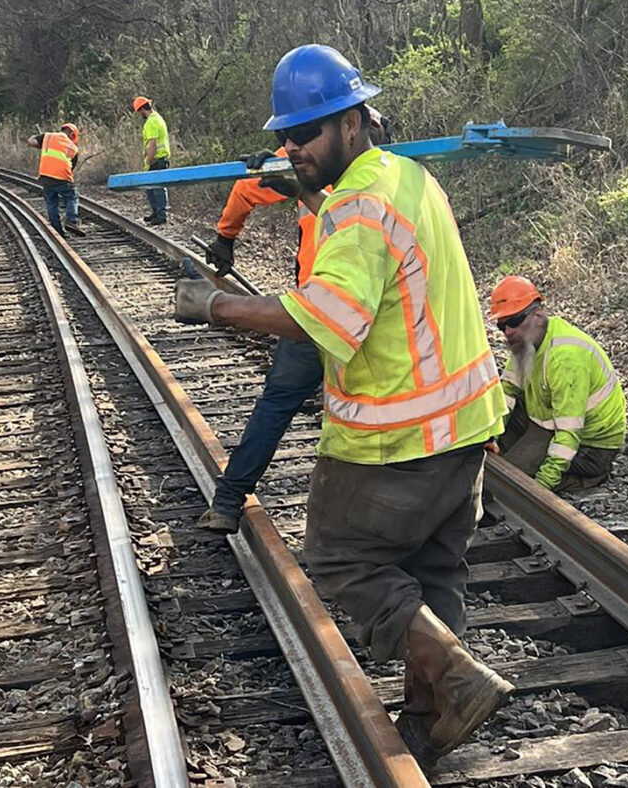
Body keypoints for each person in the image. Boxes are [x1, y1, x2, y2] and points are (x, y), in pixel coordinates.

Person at [174, 44, 513, 765]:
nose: (291, 148)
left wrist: (215, 306)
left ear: (353, 123)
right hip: (466, 423)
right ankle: (433, 718)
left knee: (340, 559)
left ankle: (457, 676)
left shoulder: (357, 208)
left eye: (306, 133)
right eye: (285, 137)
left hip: (398, 434)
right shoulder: (408, 177)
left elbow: (325, 317)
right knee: (434, 572)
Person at [198, 108, 393, 533]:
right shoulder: (389, 180)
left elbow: (248, 189)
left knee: (278, 403)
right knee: (377, 410)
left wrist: (226, 236)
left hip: (318, 311)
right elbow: (253, 184)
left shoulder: (313, 164)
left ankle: (229, 501)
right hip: (360, 316)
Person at [489, 275, 626, 491]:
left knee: (507, 481)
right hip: (547, 419)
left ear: (537, 315)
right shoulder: (525, 344)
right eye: (501, 325)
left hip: (591, 445)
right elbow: (507, 391)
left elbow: (569, 432)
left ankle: (589, 476)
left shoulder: (565, 358)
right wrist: (491, 435)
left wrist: (541, 487)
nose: (507, 332)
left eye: (514, 322)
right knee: (491, 459)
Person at [27, 123, 85, 237]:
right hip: (62, 176)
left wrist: (39, 138)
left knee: (51, 202)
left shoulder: (48, 137)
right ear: (72, 135)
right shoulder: (73, 147)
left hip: (45, 176)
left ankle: (57, 230)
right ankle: (71, 221)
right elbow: (72, 167)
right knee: (72, 197)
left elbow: (31, 141)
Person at [132, 96, 171, 224]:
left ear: (142, 110)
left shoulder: (151, 122)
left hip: (156, 159)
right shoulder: (158, 118)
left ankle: (161, 215)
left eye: (139, 112)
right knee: (151, 187)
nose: (139, 115)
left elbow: (152, 144)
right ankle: (156, 212)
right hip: (159, 158)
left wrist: (148, 161)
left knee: (158, 188)